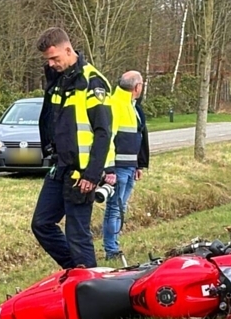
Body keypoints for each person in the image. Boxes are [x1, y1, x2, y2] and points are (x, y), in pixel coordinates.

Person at [31, 27, 115, 269]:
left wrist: (92, 174)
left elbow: (103, 132)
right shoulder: (59, 81)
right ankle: (76, 272)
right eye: (48, 60)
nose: (51, 64)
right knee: (41, 224)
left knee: (77, 234)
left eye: (54, 58)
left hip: (82, 173)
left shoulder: (92, 81)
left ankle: (91, 284)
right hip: (60, 167)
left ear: (68, 50)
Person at [102, 70, 150, 261]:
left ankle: (114, 245)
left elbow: (138, 138)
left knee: (121, 208)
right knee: (115, 208)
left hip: (129, 167)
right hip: (118, 168)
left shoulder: (133, 107)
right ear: (137, 87)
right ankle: (111, 249)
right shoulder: (115, 105)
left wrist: (138, 165)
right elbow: (107, 139)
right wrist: (109, 169)